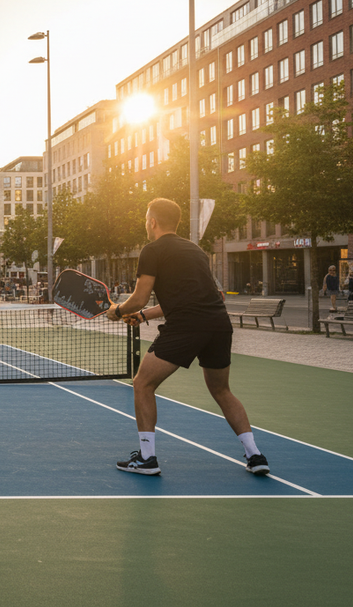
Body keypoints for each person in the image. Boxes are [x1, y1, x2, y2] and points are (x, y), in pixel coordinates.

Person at [106, 198, 269, 477]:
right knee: (222, 390)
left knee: (142, 384)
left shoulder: (152, 250)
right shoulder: (195, 250)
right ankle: (255, 455)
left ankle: (147, 458)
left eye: (147, 219)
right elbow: (189, 297)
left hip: (186, 327)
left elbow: (139, 297)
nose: (146, 224)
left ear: (153, 222)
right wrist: (144, 316)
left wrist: (117, 310)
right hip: (218, 325)